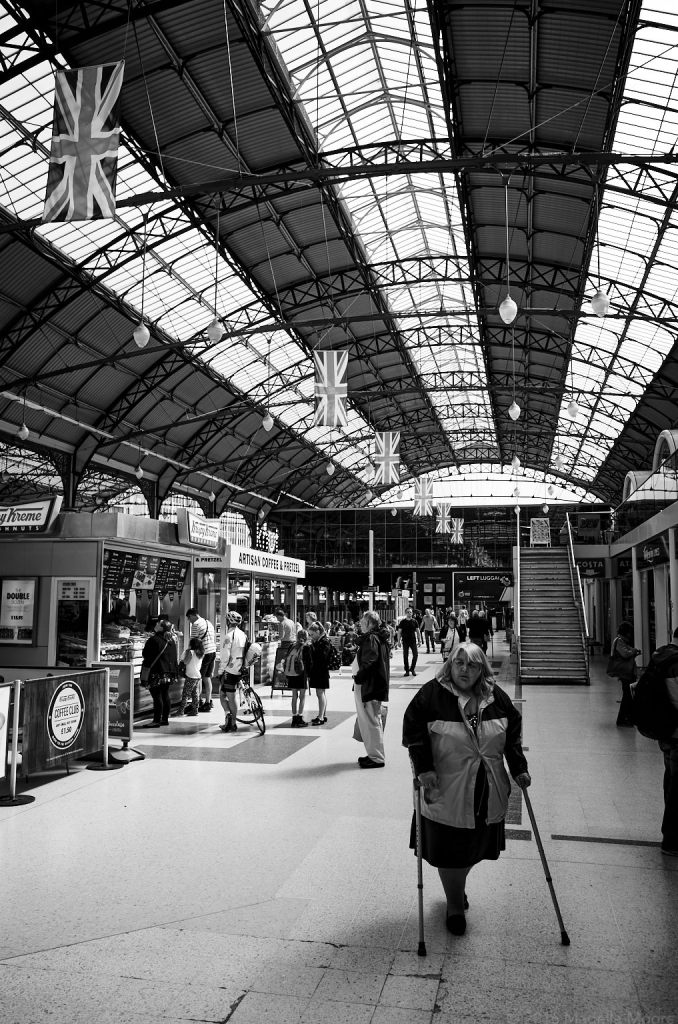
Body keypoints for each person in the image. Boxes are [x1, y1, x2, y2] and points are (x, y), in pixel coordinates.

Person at [403, 643, 531, 935]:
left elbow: (511, 735)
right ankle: (454, 905)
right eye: (458, 663)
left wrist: (519, 767)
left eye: (472, 665)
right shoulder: (431, 695)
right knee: (450, 849)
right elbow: (414, 733)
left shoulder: (495, 697)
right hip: (446, 787)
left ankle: (456, 888)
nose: (464, 670)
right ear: (450, 664)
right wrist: (424, 768)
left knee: (474, 846)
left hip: (487, 787)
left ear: (481, 668)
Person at [631, 628, 678, 856]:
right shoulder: (674, 664)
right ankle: (671, 840)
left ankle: (669, 836)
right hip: (675, 733)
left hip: (666, 733)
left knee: (671, 782)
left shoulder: (661, 656)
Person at [353, 611, 391, 768]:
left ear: (369, 623)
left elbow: (370, 661)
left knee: (371, 720)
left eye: (362, 620)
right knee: (371, 720)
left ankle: (376, 758)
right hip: (374, 685)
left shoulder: (371, 638)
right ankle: (373, 754)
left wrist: (359, 678)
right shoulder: (377, 638)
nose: (360, 623)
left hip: (370, 686)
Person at [141, 618, 179, 728]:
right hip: (168, 673)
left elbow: (145, 654)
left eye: (158, 623)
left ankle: (156, 720)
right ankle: (165, 719)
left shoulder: (154, 640)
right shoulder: (171, 640)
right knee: (165, 694)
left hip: (156, 672)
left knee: (156, 696)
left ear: (161, 627)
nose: (156, 624)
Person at [218, 611, 248, 733]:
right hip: (239, 668)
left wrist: (220, 670)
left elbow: (225, 655)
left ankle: (231, 721)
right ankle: (231, 720)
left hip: (229, 670)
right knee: (228, 694)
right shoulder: (243, 635)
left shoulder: (228, 636)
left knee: (226, 696)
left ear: (229, 621)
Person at [609, 621, 640, 727]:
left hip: (627, 672)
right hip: (625, 673)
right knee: (627, 696)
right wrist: (634, 651)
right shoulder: (619, 641)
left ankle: (626, 717)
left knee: (628, 695)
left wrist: (633, 651)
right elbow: (625, 654)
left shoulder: (622, 642)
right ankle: (622, 719)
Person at [186, 607, 217, 712]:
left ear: (193, 615)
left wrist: (186, 656)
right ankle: (208, 701)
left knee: (198, 677)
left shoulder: (196, 625)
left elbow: (193, 643)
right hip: (212, 652)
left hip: (203, 654)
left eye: (189, 618)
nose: (189, 621)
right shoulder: (208, 622)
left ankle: (197, 702)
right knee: (207, 677)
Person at [307, 621, 332, 725]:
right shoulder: (320, 641)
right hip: (320, 671)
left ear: (318, 632)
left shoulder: (324, 642)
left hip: (321, 671)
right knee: (321, 694)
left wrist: (311, 647)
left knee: (320, 693)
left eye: (312, 634)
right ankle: (322, 714)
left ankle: (321, 717)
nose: (311, 637)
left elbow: (321, 657)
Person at [285, 628, 311, 727]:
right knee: (302, 696)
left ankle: (294, 718)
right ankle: (300, 718)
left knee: (294, 696)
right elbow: (309, 663)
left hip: (291, 674)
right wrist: (309, 676)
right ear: (306, 637)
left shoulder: (292, 646)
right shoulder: (306, 647)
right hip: (302, 674)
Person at [177, 636, 204, 717]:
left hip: (191, 675)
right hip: (197, 675)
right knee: (195, 694)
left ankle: (181, 711)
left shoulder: (190, 652)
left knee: (185, 694)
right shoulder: (200, 653)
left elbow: (185, 662)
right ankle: (195, 710)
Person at [398, 607, 422, 676]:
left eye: (410, 612)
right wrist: (399, 641)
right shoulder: (402, 622)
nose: (409, 613)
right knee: (405, 656)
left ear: (412, 613)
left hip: (413, 641)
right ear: (406, 613)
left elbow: (418, 631)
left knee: (415, 655)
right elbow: (399, 632)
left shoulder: (415, 621)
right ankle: (407, 670)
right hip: (405, 641)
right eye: (408, 612)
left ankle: (412, 668)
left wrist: (419, 640)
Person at [274, 606, 297, 678]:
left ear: (280, 616)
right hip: (293, 642)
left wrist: (275, 638)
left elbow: (281, 636)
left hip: (286, 643)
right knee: (290, 661)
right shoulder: (291, 621)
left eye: (277, 618)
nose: (277, 619)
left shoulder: (282, 623)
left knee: (283, 661)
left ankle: (284, 677)